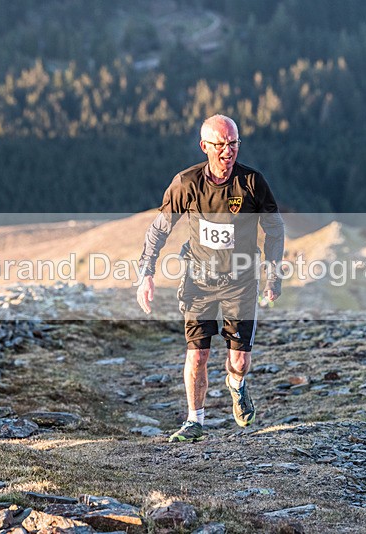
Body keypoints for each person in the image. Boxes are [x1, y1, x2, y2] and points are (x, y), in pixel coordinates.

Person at [136, 114, 285, 443]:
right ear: (204, 146)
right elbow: (159, 229)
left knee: (239, 360)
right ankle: (195, 421)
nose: (228, 151)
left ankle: (237, 384)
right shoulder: (187, 183)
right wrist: (146, 273)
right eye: (220, 144)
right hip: (199, 281)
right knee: (198, 354)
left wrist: (273, 274)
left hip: (241, 282)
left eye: (234, 143)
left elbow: (274, 228)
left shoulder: (252, 182)